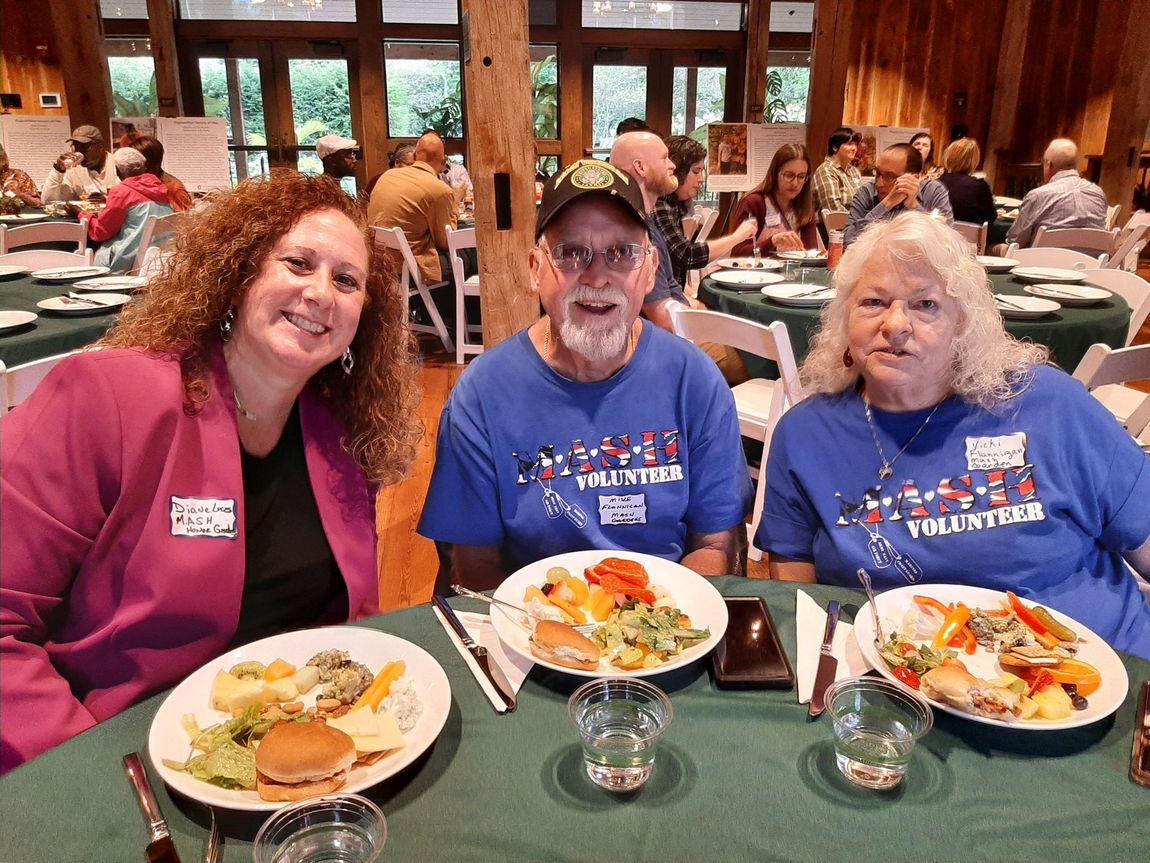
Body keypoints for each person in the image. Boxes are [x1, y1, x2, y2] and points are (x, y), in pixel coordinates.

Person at [0, 171, 420, 771]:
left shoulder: (344, 434)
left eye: (346, 280)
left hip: (292, 764)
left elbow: (350, 629)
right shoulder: (108, 398)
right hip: (119, 759)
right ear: (240, 271)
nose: (322, 292)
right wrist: (92, 779)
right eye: (298, 263)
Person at [757, 212, 1150, 660]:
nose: (896, 324)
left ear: (964, 327)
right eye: (873, 302)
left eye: (926, 305)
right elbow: (795, 588)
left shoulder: (1050, 405)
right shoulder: (807, 434)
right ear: (844, 321)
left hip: (1099, 668)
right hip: (907, 681)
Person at [418, 159, 752, 590]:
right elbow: (473, 563)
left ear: (650, 269)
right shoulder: (483, 394)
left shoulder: (695, 382)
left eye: (623, 253)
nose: (597, 275)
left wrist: (662, 627)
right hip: (532, 626)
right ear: (535, 268)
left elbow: (715, 543)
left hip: (665, 626)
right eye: (571, 253)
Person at [610, 131, 747, 384]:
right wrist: (712, 324)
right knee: (749, 358)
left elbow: (670, 287)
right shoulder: (632, 227)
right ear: (640, 167)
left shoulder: (646, 217)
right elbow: (664, 319)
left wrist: (699, 310)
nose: (672, 164)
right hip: (648, 349)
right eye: (664, 158)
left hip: (658, 335)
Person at [651, 135, 756, 287]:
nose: (701, 179)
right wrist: (737, 236)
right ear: (677, 171)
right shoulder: (660, 205)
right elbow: (687, 255)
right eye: (696, 171)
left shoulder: (674, 204)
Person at [367, 130, 456, 283]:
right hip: (408, 267)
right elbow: (446, 241)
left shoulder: (387, 176)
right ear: (444, 160)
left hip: (379, 261)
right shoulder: (439, 189)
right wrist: (455, 207)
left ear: (415, 155)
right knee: (472, 255)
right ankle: (457, 307)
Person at [1004, 138, 1108, 250]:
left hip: (1042, 265)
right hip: (1091, 265)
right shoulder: (1098, 193)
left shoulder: (1038, 196)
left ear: (1049, 165)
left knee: (996, 248)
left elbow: (1015, 241)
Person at [82, 147, 173, 274]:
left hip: (126, 262)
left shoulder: (121, 192)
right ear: (143, 167)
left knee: (96, 252)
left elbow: (100, 232)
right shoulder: (161, 189)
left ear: (117, 171)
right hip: (157, 261)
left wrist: (82, 215)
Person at [843, 143, 953, 246]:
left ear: (914, 178)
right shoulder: (867, 192)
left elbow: (947, 244)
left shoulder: (933, 192)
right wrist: (886, 204)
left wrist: (914, 206)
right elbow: (847, 242)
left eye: (890, 176)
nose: (879, 184)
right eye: (878, 173)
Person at [730, 143, 820, 256]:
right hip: (754, 272)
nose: (795, 183)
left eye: (801, 177)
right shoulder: (754, 202)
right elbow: (737, 253)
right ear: (775, 173)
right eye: (789, 175)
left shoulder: (805, 207)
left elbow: (810, 253)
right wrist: (772, 241)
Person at [41, 125, 119, 203]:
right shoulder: (74, 170)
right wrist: (58, 170)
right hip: (86, 215)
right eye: (75, 147)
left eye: (84, 147)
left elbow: (130, 199)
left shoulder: (118, 164)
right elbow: (47, 201)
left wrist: (108, 201)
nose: (78, 152)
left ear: (100, 147)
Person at [935, 138, 995, 228]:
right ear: (974, 160)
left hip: (935, 236)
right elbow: (991, 217)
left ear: (948, 157)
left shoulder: (934, 182)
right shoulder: (979, 186)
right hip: (967, 239)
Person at [132, 135, 193, 212]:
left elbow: (188, 219)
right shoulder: (139, 183)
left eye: (135, 160)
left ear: (147, 162)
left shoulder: (174, 188)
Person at [812, 127, 862, 214]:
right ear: (835, 147)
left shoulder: (854, 171)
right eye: (849, 144)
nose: (854, 148)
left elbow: (862, 202)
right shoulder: (826, 170)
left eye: (855, 144)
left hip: (854, 224)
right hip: (828, 226)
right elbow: (834, 210)